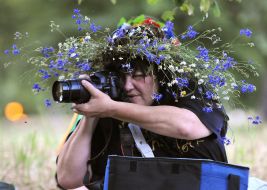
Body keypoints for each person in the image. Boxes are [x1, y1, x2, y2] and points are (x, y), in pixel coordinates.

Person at [56, 17, 229, 190]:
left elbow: (187, 127)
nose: (127, 86)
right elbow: (68, 179)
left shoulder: (190, 90)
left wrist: (112, 109)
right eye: (122, 77)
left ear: (160, 75)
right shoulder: (108, 106)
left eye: (137, 76)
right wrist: (90, 115)